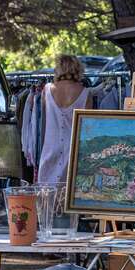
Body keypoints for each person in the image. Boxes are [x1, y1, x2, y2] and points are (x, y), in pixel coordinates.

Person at [37, 54, 92, 185]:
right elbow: (87, 129)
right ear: (77, 69)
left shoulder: (47, 90)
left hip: (50, 147)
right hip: (73, 150)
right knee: (68, 195)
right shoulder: (85, 93)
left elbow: (44, 123)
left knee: (47, 195)